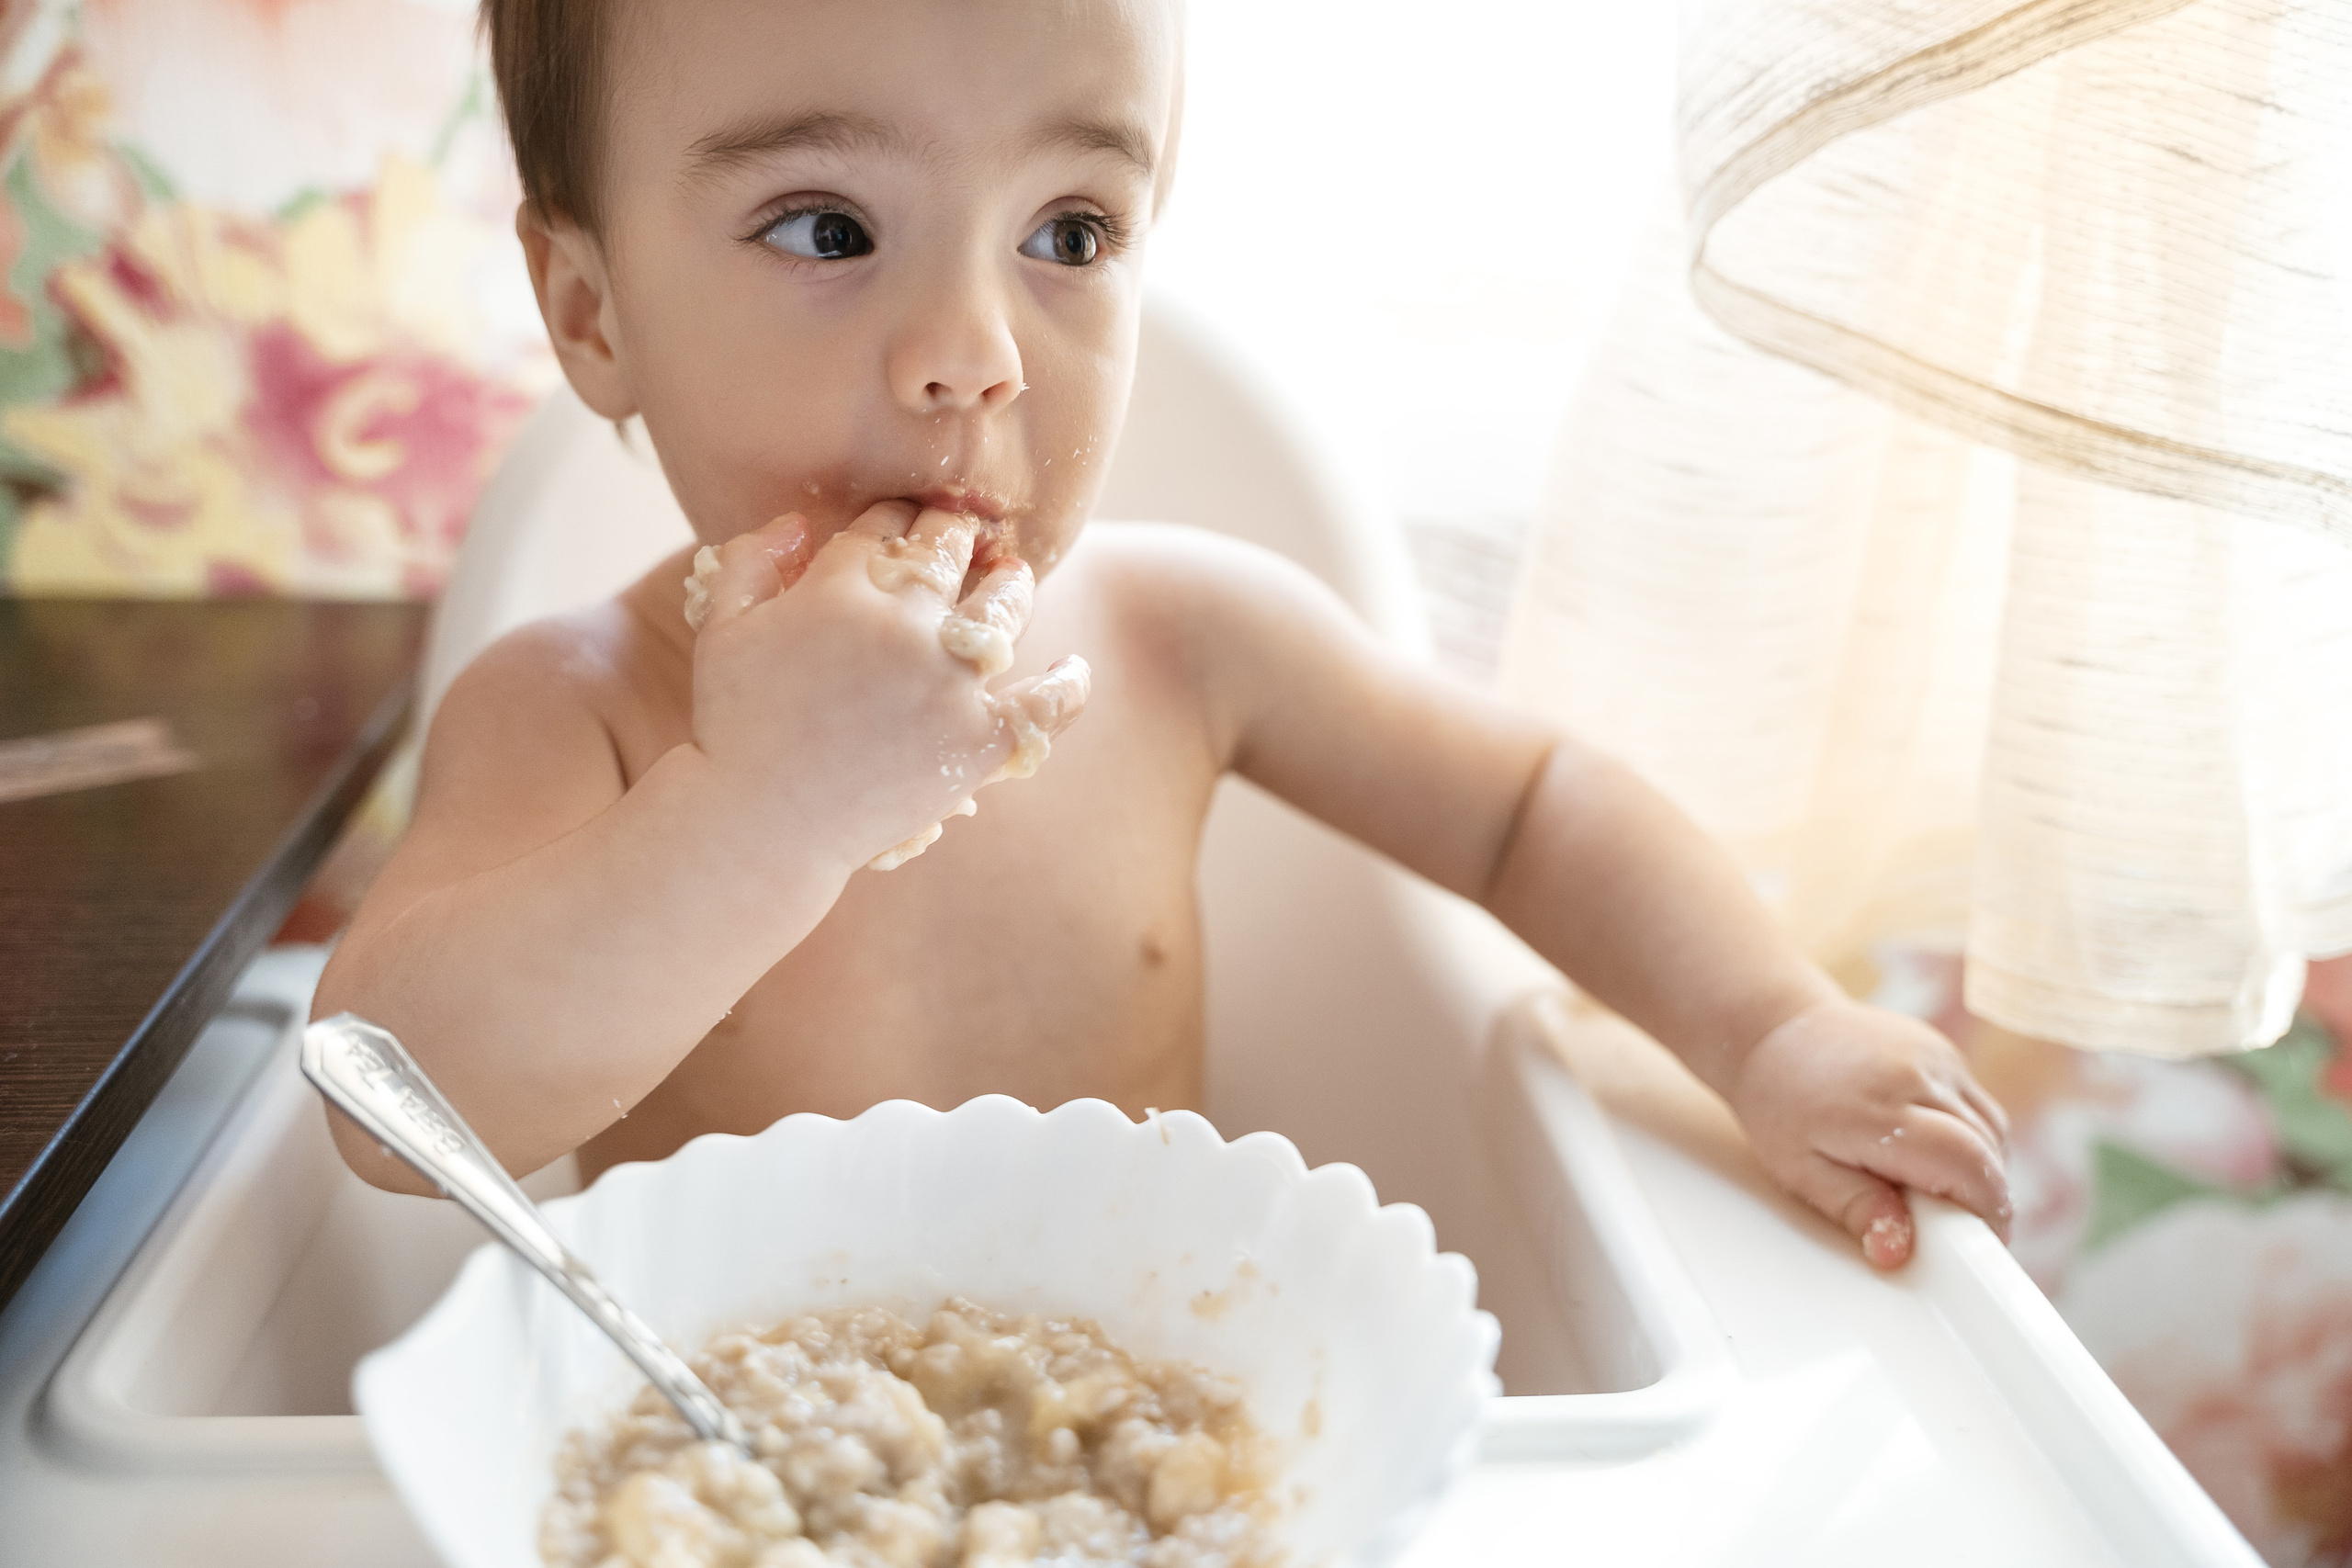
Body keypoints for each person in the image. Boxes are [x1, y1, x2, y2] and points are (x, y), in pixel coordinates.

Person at [315, 0, 2010, 1271]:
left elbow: (1530, 808)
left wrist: (1769, 1028)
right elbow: (391, 1103)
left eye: (1071, 233)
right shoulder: (581, 713)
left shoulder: (1188, 640)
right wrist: (762, 811)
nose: (972, 351)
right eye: (828, 228)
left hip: (1149, 1409)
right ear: (592, 315)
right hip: (735, 1444)